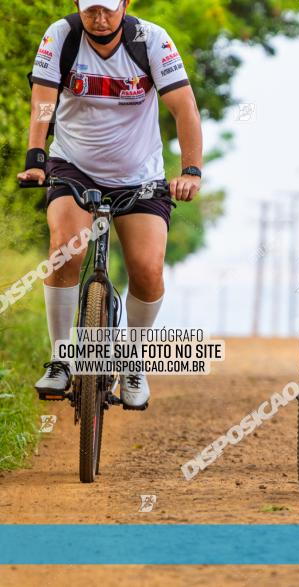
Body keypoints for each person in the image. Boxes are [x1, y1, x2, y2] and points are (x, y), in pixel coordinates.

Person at [18, 0, 203, 409]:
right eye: (90, 11)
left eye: (108, 10)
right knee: (66, 249)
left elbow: (183, 106)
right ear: (77, 8)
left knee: (148, 269)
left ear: (126, 5)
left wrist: (191, 170)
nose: (99, 20)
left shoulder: (150, 40)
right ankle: (61, 358)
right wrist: (35, 158)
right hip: (73, 165)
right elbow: (43, 101)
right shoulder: (60, 36)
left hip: (139, 174)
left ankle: (133, 363)